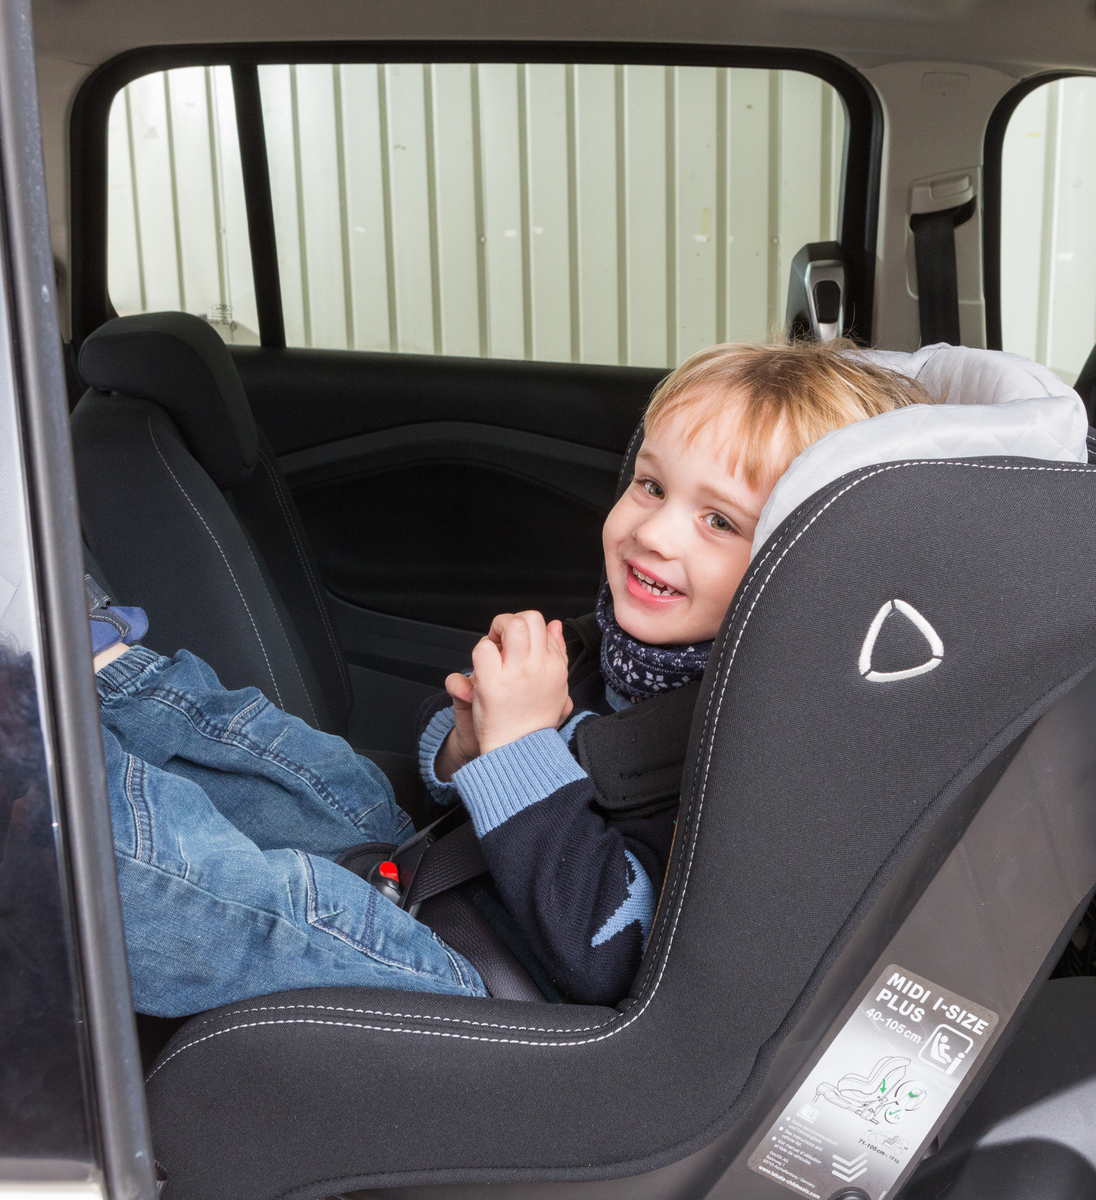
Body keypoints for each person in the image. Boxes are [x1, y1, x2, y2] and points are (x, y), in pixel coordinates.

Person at [92, 338, 928, 1017]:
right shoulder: (630, 651)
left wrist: (520, 748)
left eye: (718, 520)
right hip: (444, 878)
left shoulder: (755, 742)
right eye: (650, 485)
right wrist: (466, 746)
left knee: (228, 902)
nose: (655, 533)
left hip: (480, 990)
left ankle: (53, 805)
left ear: (809, 565)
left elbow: (610, 949)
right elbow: (483, 781)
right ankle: (98, 672)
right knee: (305, 766)